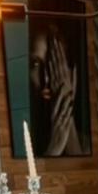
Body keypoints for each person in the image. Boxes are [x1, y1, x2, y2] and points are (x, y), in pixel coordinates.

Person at [29, 23, 87, 156]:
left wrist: (66, 107)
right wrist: (54, 147)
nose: (46, 78)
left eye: (54, 65)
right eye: (36, 64)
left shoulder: (87, 145)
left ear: (72, 75)